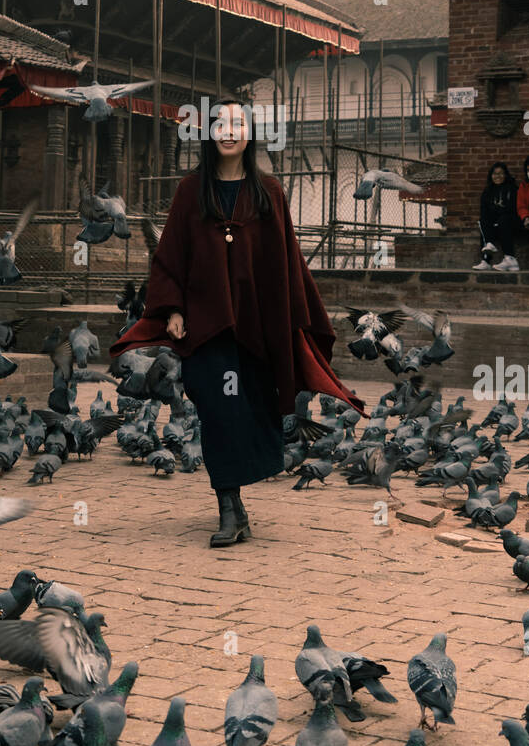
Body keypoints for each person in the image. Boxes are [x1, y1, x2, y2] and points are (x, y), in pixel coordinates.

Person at [109, 98, 363, 548]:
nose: (229, 131)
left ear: (249, 133)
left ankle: (237, 502)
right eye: (220, 124)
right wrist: (172, 310)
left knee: (253, 409)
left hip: (256, 325)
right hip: (205, 328)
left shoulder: (269, 191)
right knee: (216, 408)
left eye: (238, 124)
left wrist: (294, 319)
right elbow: (170, 257)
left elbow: (286, 260)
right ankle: (230, 506)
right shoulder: (192, 190)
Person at [473, 161, 519, 272]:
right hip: (493, 221)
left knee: (502, 220)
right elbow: (484, 210)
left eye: (500, 173)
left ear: (505, 175)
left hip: (509, 220)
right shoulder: (488, 191)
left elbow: (512, 208)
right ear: (491, 175)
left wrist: (497, 213)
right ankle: (486, 260)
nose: (497, 176)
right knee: (483, 221)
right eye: (494, 174)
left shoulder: (512, 189)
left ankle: (509, 258)